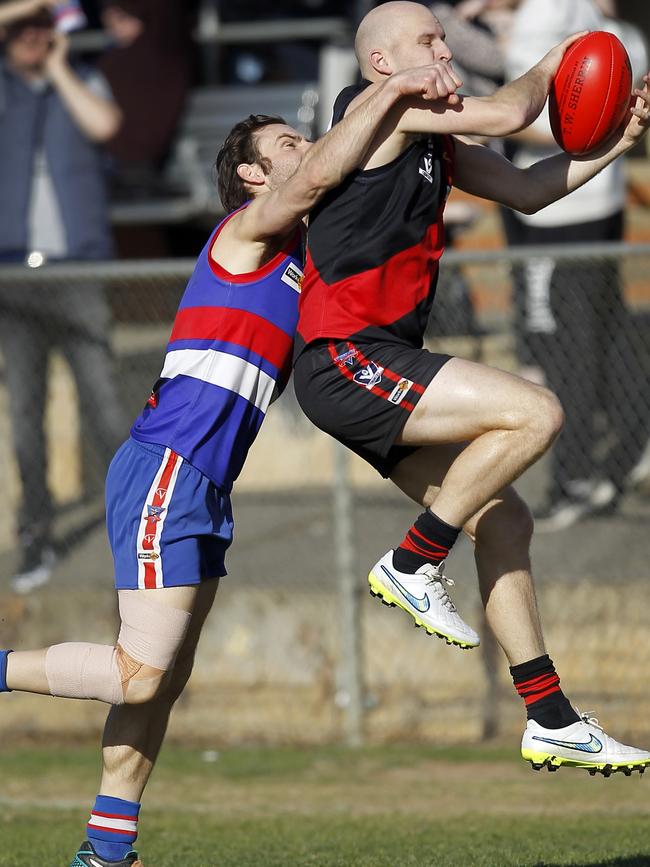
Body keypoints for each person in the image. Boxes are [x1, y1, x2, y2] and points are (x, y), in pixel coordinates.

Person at [0, 63, 461, 867]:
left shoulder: (309, 252)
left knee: (164, 678)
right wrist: (386, 90)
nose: (306, 147)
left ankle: (108, 847)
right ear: (252, 174)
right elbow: (324, 171)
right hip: (167, 467)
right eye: (287, 142)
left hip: (206, 485)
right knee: (137, 674)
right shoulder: (246, 230)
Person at [293, 0, 650, 775]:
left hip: (373, 360)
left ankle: (549, 714)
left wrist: (617, 140)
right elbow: (516, 108)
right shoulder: (376, 107)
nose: (444, 49)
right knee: (538, 411)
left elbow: (530, 191)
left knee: (505, 518)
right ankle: (414, 562)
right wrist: (560, 62)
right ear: (383, 63)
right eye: (428, 40)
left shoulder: (435, 140)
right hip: (346, 353)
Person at [503, 0, 650, 532]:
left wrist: (600, 138)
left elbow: (522, 115)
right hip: (576, 205)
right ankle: (598, 467)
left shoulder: (601, 28)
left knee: (577, 344)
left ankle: (580, 477)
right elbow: (521, 115)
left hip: (577, 206)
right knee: (584, 341)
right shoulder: (580, 21)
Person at [0, 0, 128, 592]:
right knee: (25, 415)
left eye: (43, 27)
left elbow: (106, 126)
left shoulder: (82, 78)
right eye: (21, 28)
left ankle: (127, 526)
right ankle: (36, 535)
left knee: (103, 402)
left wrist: (57, 69)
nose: (33, 35)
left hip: (79, 271)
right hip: (15, 278)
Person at [97, 0, 194, 198]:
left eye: (122, 16)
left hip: (131, 174)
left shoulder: (139, 62)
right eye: (108, 13)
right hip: (128, 174)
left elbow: (139, 142)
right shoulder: (168, 54)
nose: (110, 22)